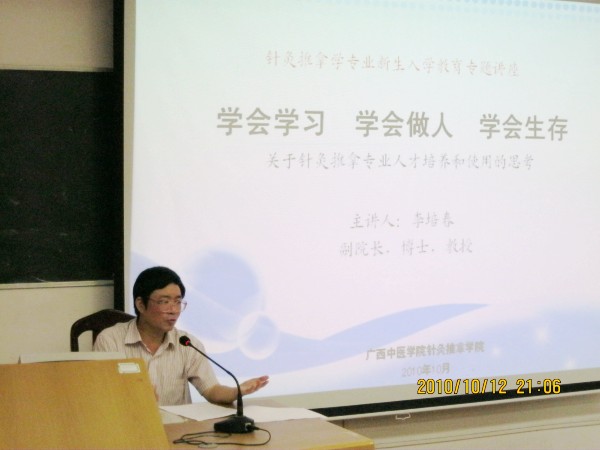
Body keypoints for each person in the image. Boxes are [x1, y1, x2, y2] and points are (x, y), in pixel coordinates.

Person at [94, 266, 269, 406]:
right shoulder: (110, 340)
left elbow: (211, 390)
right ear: (140, 304)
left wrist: (237, 391)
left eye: (178, 302)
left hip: (179, 430)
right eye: (164, 302)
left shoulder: (187, 343)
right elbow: (100, 395)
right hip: (129, 427)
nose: (173, 310)